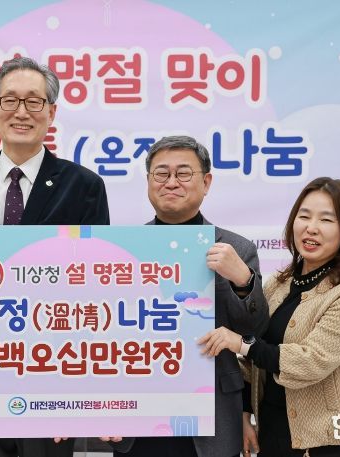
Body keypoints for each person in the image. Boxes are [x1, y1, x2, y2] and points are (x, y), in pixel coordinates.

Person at [0, 56, 110, 457]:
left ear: (51, 112)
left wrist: (84, 388)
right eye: (10, 100)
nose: (21, 112)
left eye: (34, 101)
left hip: (52, 370)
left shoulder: (84, 186)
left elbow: (96, 285)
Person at [105, 135, 269, 457]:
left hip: (211, 415)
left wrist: (242, 279)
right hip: (138, 413)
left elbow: (254, 331)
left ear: (206, 182)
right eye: (161, 173)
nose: (171, 182)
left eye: (183, 173)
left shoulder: (236, 248)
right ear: (148, 181)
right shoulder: (122, 250)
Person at [200, 177, 340, 456]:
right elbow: (253, 362)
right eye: (304, 216)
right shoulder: (279, 284)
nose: (311, 227)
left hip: (329, 443)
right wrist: (244, 413)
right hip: (274, 434)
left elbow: (311, 362)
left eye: (326, 220)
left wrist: (241, 343)